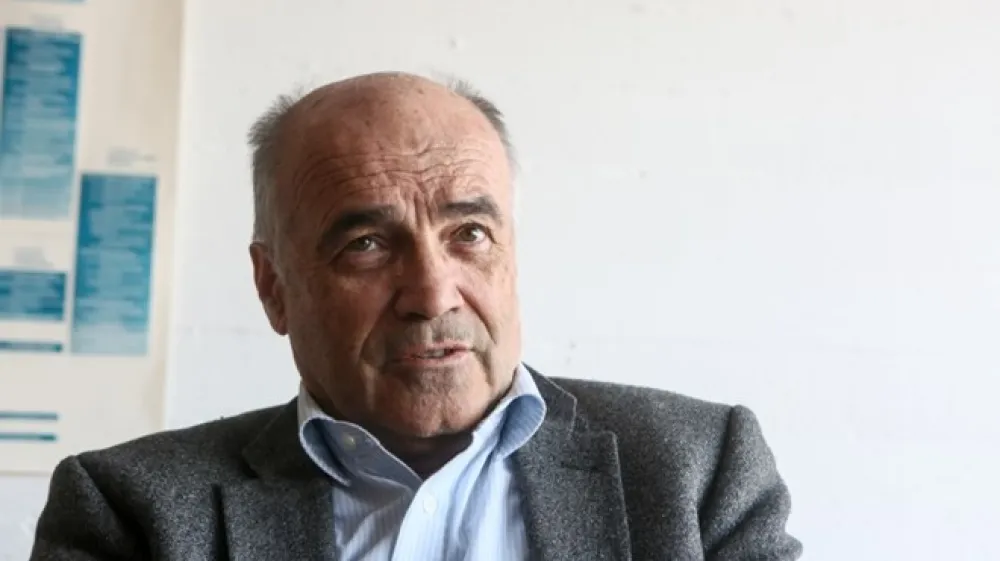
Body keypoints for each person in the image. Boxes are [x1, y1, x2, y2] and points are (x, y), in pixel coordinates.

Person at [29, 72, 802, 561]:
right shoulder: (131, 511)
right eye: (366, 245)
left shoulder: (696, 474)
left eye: (470, 234)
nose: (433, 294)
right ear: (273, 286)